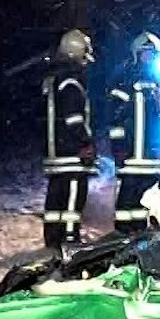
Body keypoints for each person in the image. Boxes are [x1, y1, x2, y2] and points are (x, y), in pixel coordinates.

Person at [106, 31, 160, 234]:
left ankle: (139, 234)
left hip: (150, 155)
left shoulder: (157, 82)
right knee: (127, 197)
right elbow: (115, 118)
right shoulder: (124, 79)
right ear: (137, 53)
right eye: (146, 52)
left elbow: (158, 121)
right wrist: (119, 147)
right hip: (131, 154)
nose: (150, 57)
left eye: (153, 53)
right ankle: (122, 233)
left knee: (144, 198)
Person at [40, 28, 94, 248]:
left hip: (55, 151)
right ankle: (70, 238)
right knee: (73, 196)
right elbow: (74, 119)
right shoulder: (71, 82)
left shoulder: (52, 80)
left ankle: (53, 238)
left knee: (56, 198)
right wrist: (85, 141)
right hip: (70, 152)